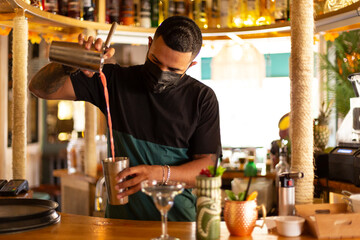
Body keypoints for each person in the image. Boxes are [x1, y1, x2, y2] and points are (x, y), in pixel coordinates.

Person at [29, 16, 221, 222]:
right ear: (149, 44)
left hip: (178, 225)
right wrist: (72, 62)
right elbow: (39, 88)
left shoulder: (201, 99)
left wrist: (158, 173)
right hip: (121, 224)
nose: (161, 74)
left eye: (173, 70)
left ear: (191, 65)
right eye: (156, 61)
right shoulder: (113, 81)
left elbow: (208, 169)